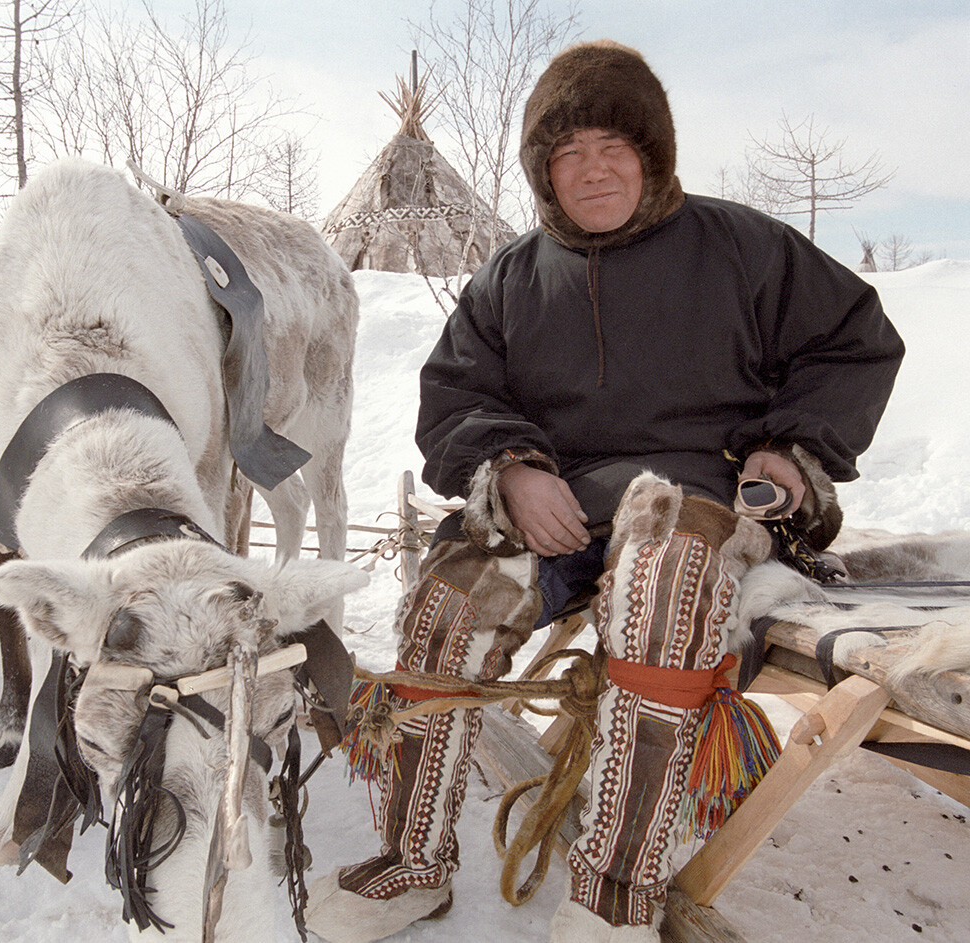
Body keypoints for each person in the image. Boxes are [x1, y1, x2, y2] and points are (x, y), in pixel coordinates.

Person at [306, 39, 904, 943]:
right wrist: (510, 469)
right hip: (558, 512)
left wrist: (792, 452)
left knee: (664, 587)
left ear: (652, 157)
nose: (592, 169)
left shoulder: (744, 246)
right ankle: (412, 861)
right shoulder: (510, 277)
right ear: (544, 172)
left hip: (699, 500)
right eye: (569, 153)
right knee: (443, 604)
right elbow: (455, 398)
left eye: (613, 148)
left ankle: (614, 889)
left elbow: (855, 343)